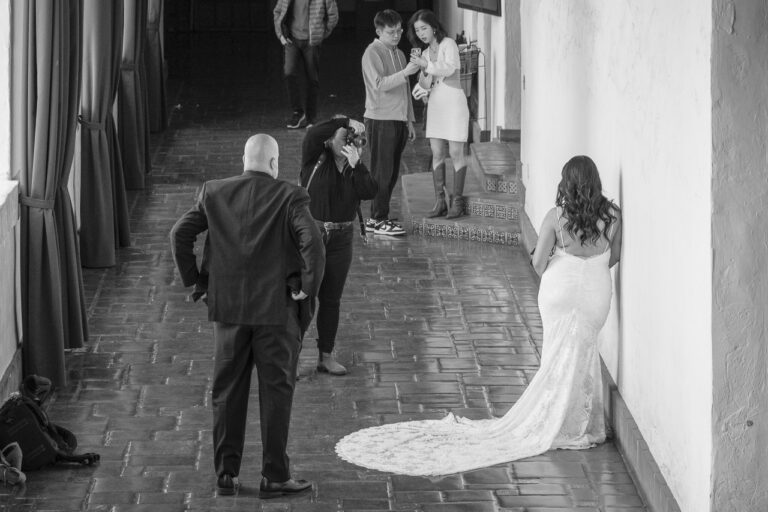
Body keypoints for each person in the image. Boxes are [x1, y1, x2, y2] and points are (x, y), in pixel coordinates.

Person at [335, 155, 622, 476]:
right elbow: (614, 257)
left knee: (555, 355)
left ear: (567, 183)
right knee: (582, 353)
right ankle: (581, 423)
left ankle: (556, 419)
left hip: (560, 292)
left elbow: (538, 264)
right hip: (596, 295)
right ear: (595, 182)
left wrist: (562, 259)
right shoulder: (613, 216)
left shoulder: (556, 217)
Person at [170, 134, 325, 497]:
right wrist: (306, 287)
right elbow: (313, 245)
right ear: (274, 164)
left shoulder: (213, 192)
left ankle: (226, 474)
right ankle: (274, 476)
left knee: (226, 392)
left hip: (228, 312)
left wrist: (197, 283)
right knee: (277, 392)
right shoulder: (290, 196)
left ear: (243, 159)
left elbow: (179, 234)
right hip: (276, 313)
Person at [300, 116, 378, 375]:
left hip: (342, 239)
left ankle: (326, 355)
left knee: (331, 299)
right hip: (313, 236)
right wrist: (345, 120)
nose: (350, 142)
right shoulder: (315, 159)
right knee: (303, 297)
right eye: (345, 138)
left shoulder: (353, 167)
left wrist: (357, 165)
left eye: (354, 139)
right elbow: (312, 133)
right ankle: (291, 356)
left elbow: (369, 191)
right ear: (330, 140)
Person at [361, 9, 421, 236]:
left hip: (398, 119)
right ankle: (376, 219)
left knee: (392, 172)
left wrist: (410, 120)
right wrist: (406, 72)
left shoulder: (400, 53)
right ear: (379, 31)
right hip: (380, 119)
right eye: (391, 32)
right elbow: (379, 84)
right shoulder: (372, 53)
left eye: (399, 31)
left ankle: (381, 215)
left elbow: (405, 89)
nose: (396, 35)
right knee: (381, 172)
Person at [407, 9, 470, 219]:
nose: (421, 33)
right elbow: (426, 82)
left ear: (434, 27)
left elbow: (450, 68)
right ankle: (440, 200)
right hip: (436, 105)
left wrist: (427, 65)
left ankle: (458, 202)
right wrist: (421, 74)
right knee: (437, 152)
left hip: (453, 104)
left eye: (424, 28)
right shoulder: (423, 53)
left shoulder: (449, 44)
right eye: (417, 30)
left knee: (456, 152)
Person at [273, 0, 339, 129]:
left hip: (311, 42)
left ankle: (311, 118)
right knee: (289, 73)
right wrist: (280, 35)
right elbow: (277, 12)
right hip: (291, 40)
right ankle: (298, 113)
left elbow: (333, 15)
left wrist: (321, 34)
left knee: (312, 79)